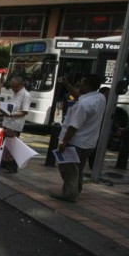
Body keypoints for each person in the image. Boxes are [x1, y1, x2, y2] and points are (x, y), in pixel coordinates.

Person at [51, 74, 106, 203]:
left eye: (81, 83)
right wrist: (66, 84)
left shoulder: (82, 105)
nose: (78, 86)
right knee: (78, 169)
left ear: (87, 86)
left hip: (75, 142)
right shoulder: (99, 97)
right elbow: (79, 95)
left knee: (69, 169)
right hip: (89, 143)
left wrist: (64, 141)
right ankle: (76, 190)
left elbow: (73, 126)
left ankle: (70, 194)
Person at [0, 76, 31, 173]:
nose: (13, 89)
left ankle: (12, 166)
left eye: (15, 87)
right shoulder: (14, 93)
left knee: (13, 146)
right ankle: (4, 163)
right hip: (7, 122)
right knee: (5, 144)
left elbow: (24, 111)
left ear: (21, 85)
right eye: (12, 87)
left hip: (15, 124)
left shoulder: (26, 95)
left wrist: (11, 114)